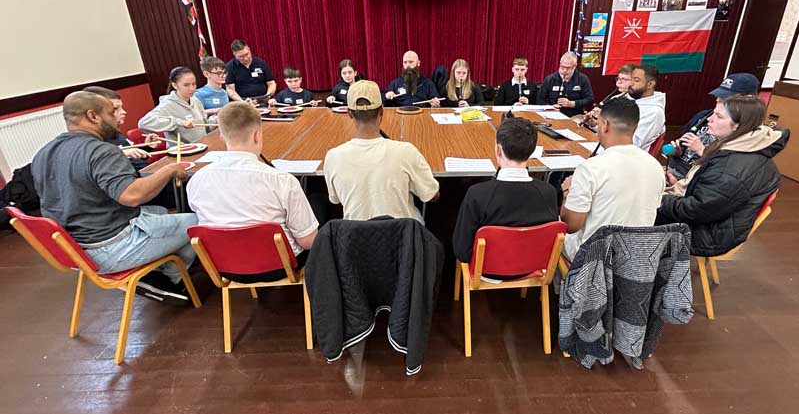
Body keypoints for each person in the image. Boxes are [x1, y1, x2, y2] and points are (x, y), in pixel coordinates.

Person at [31, 91, 197, 304]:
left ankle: (161, 270)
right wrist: (169, 170)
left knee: (161, 212)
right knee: (198, 222)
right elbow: (132, 196)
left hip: (76, 247)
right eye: (111, 112)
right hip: (111, 247)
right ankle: (168, 281)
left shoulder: (43, 153)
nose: (116, 118)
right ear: (93, 116)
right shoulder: (101, 151)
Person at [187, 102, 319, 281]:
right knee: (319, 203)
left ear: (221, 136)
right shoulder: (282, 180)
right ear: (257, 135)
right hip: (280, 266)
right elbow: (308, 241)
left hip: (224, 266)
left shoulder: (196, 180)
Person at [657, 95, 788, 257]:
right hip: (710, 219)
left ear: (739, 126)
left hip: (709, 234)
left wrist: (658, 198)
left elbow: (695, 210)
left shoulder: (733, 168)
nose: (709, 120)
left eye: (718, 117)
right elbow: (710, 196)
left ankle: (639, 274)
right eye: (713, 114)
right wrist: (682, 184)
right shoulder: (741, 145)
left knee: (634, 214)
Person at [560, 97, 665, 260]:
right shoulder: (656, 167)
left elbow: (571, 226)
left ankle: (564, 284)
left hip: (593, 259)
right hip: (635, 259)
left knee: (553, 231)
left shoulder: (590, 168)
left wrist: (567, 192)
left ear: (604, 125)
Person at [324, 80, 440, 221]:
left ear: (349, 113)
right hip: (404, 237)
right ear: (382, 111)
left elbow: (335, 200)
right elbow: (432, 195)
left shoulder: (333, 157)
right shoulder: (406, 152)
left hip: (355, 239)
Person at [452, 117, 558, 263]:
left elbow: (462, 251)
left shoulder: (477, 194)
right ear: (532, 151)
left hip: (486, 270)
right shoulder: (549, 192)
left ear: (498, 150)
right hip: (532, 266)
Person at [667, 73, 760, 180]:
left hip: (697, 180)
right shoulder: (703, 116)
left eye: (725, 100)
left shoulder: (747, 135)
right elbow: (683, 145)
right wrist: (678, 151)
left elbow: (726, 173)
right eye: (718, 98)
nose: (718, 102)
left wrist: (702, 150)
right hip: (676, 170)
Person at [83, 86, 156, 171]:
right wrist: (120, 154)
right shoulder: (94, 143)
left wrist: (147, 147)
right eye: (115, 109)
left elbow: (134, 160)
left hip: (146, 173)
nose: (123, 112)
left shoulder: (113, 132)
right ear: (94, 115)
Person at [138, 67, 208, 145]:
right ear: (175, 85)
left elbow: (205, 124)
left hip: (202, 145)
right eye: (186, 85)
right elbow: (143, 123)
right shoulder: (167, 105)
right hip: (182, 151)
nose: (192, 88)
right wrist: (177, 122)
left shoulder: (195, 100)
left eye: (194, 84)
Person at [536, 51, 594, 117]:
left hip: (574, 116)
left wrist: (572, 104)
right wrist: (550, 107)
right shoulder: (549, 79)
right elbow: (540, 100)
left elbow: (590, 100)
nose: (564, 71)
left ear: (575, 66)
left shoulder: (582, 79)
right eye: (562, 67)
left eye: (568, 68)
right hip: (552, 114)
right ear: (560, 64)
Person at [579, 64, 634, 130]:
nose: (619, 82)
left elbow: (624, 132)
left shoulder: (637, 104)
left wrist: (605, 117)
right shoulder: (614, 99)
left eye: (624, 79)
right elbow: (606, 131)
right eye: (618, 79)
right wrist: (593, 124)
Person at [628, 64, 666, 152]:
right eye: (631, 79)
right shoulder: (633, 101)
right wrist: (597, 124)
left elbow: (634, 144)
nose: (631, 83)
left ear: (650, 84)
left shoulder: (654, 112)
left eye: (636, 80)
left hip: (630, 158)